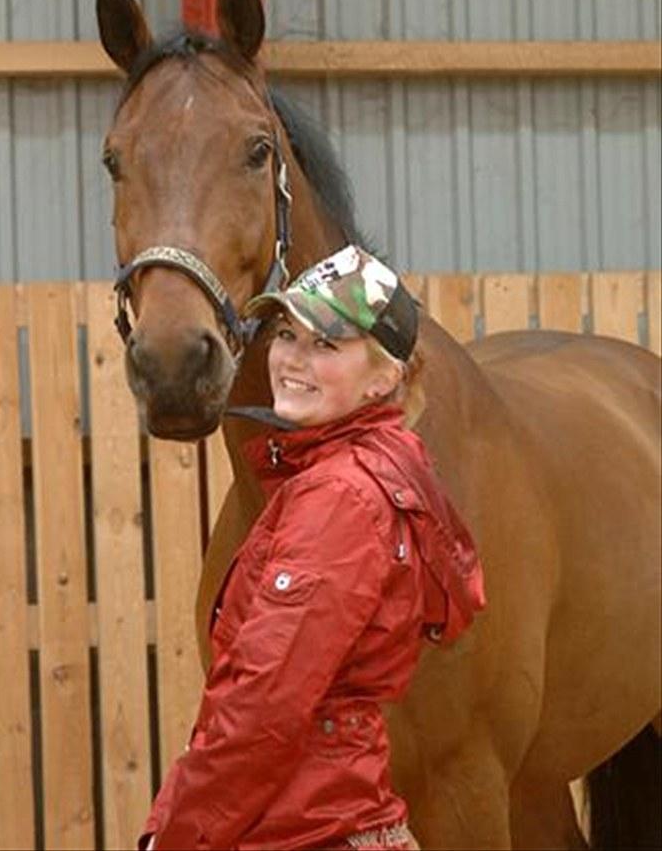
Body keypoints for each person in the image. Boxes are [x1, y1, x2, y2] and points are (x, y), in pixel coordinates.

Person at [140, 245, 485, 851]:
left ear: (385, 378)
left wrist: (173, 838)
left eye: (325, 345)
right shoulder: (363, 472)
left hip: (302, 830)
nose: (291, 361)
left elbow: (261, 708)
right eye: (285, 335)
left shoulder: (340, 499)